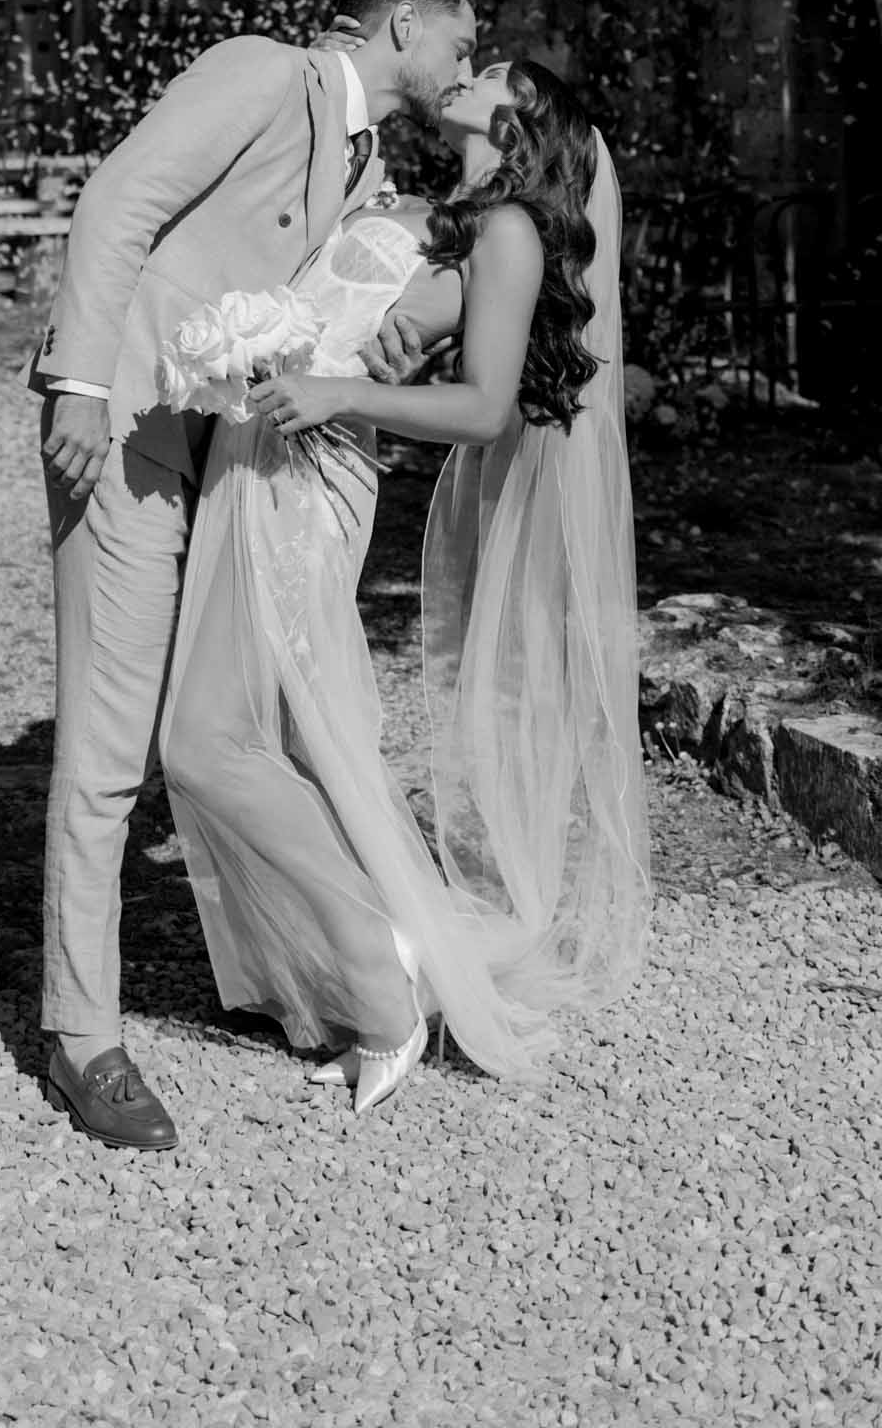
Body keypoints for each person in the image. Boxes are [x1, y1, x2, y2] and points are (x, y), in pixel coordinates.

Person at [28, 0, 478, 1147]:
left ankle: (330, 974)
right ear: (399, 27)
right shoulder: (263, 74)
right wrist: (75, 380)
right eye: (459, 41)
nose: (466, 65)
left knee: (236, 730)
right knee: (112, 742)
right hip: (122, 426)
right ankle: (84, 1033)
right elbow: (120, 200)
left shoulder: (371, 162)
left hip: (236, 470)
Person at [158, 56, 651, 1114]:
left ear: (522, 116)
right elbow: (414, 343)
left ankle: (382, 985)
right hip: (278, 456)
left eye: (494, 69)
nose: (472, 68)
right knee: (275, 737)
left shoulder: (514, 227)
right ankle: (377, 953)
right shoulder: (463, 218)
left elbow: (485, 407)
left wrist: (342, 386)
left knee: (206, 741)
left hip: (310, 472)